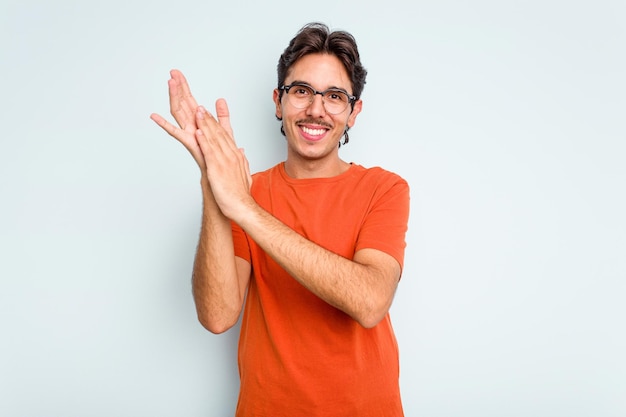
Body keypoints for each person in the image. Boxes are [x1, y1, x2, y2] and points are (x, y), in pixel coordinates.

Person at [150, 22, 410, 417]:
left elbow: (370, 301)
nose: (316, 109)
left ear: (354, 112)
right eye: (301, 91)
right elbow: (218, 316)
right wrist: (211, 180)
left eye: (335, 96)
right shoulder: (244, 194)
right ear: (278, 101)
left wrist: (243, 207)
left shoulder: (384, 189)